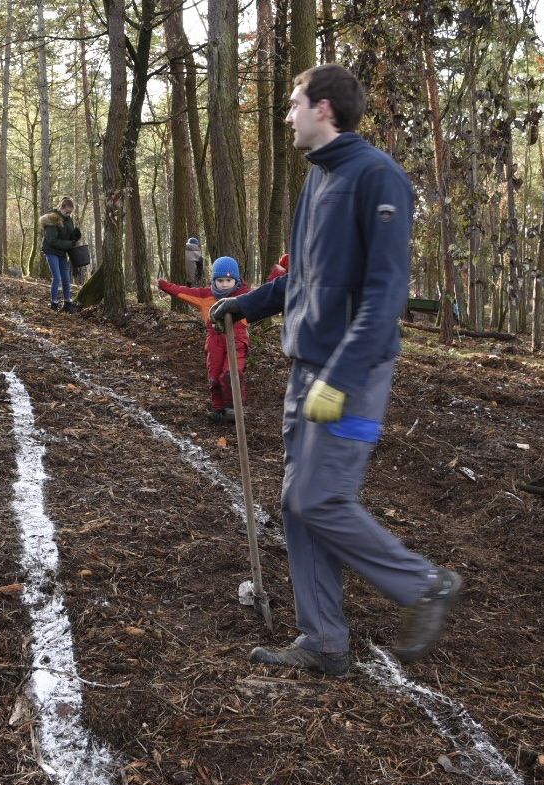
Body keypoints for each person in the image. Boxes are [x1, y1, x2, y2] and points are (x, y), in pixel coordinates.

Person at [211, 63, 462, 674]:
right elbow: (300, 278)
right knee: (298, 503)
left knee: (317, 497)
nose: (287, 114)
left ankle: (424, 584)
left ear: (323, 108)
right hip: (307, 371)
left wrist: (340, 379)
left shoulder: (377, 178)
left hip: (352, 376)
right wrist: (245, 305)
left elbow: (384, 296)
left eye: (295, 103)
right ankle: (322, 639)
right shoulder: (317, 180)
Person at [158, 257, 251, 423]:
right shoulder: (205, 295)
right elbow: (183, 292)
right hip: (214, 340)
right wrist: (164, 285)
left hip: (237, 340)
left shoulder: (245, 295)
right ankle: (218, 410)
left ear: (236, 280)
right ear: (213, 280)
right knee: (214, 375)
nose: (224, 284)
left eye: (228, 280)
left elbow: (266, 295)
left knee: (231, 374)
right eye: (220, 280)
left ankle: (233, 408)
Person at [40, 195, 83, 311]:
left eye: (71, 213)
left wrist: (75, 236)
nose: (69, 215)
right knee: (57, 277)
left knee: (66, 278)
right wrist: (70, 243)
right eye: (68, 212)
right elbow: (52, 240)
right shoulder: (52, 218)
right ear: (62, 208)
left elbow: (68, 235)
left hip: (62, 252)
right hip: (51, 251)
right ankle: (53, 303)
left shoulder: (68, 219)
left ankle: (67, 303)